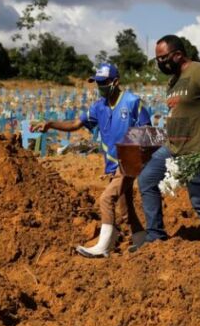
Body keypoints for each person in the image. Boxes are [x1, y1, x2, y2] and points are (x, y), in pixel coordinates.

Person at [33, 63, 151, 257]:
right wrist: (51, 124)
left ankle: (103, 247)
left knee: (106, 199)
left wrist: (136, 155)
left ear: (115, 82)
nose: (100, 87)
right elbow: (75, 123)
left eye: (103, 83)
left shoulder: (132, 102)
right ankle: (141, 240)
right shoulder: (98, 107)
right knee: (125, 204)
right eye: (97, 83)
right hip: (112, 163)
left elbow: (147, 130)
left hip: (130, 160)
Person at [136, 34, 200, 246]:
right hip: (172, 148)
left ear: (178, 55)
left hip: (198, 149)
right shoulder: (173, 81)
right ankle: (155, 237)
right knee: (146, 180)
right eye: (157, 59)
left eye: (162, 58)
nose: (160, 63)